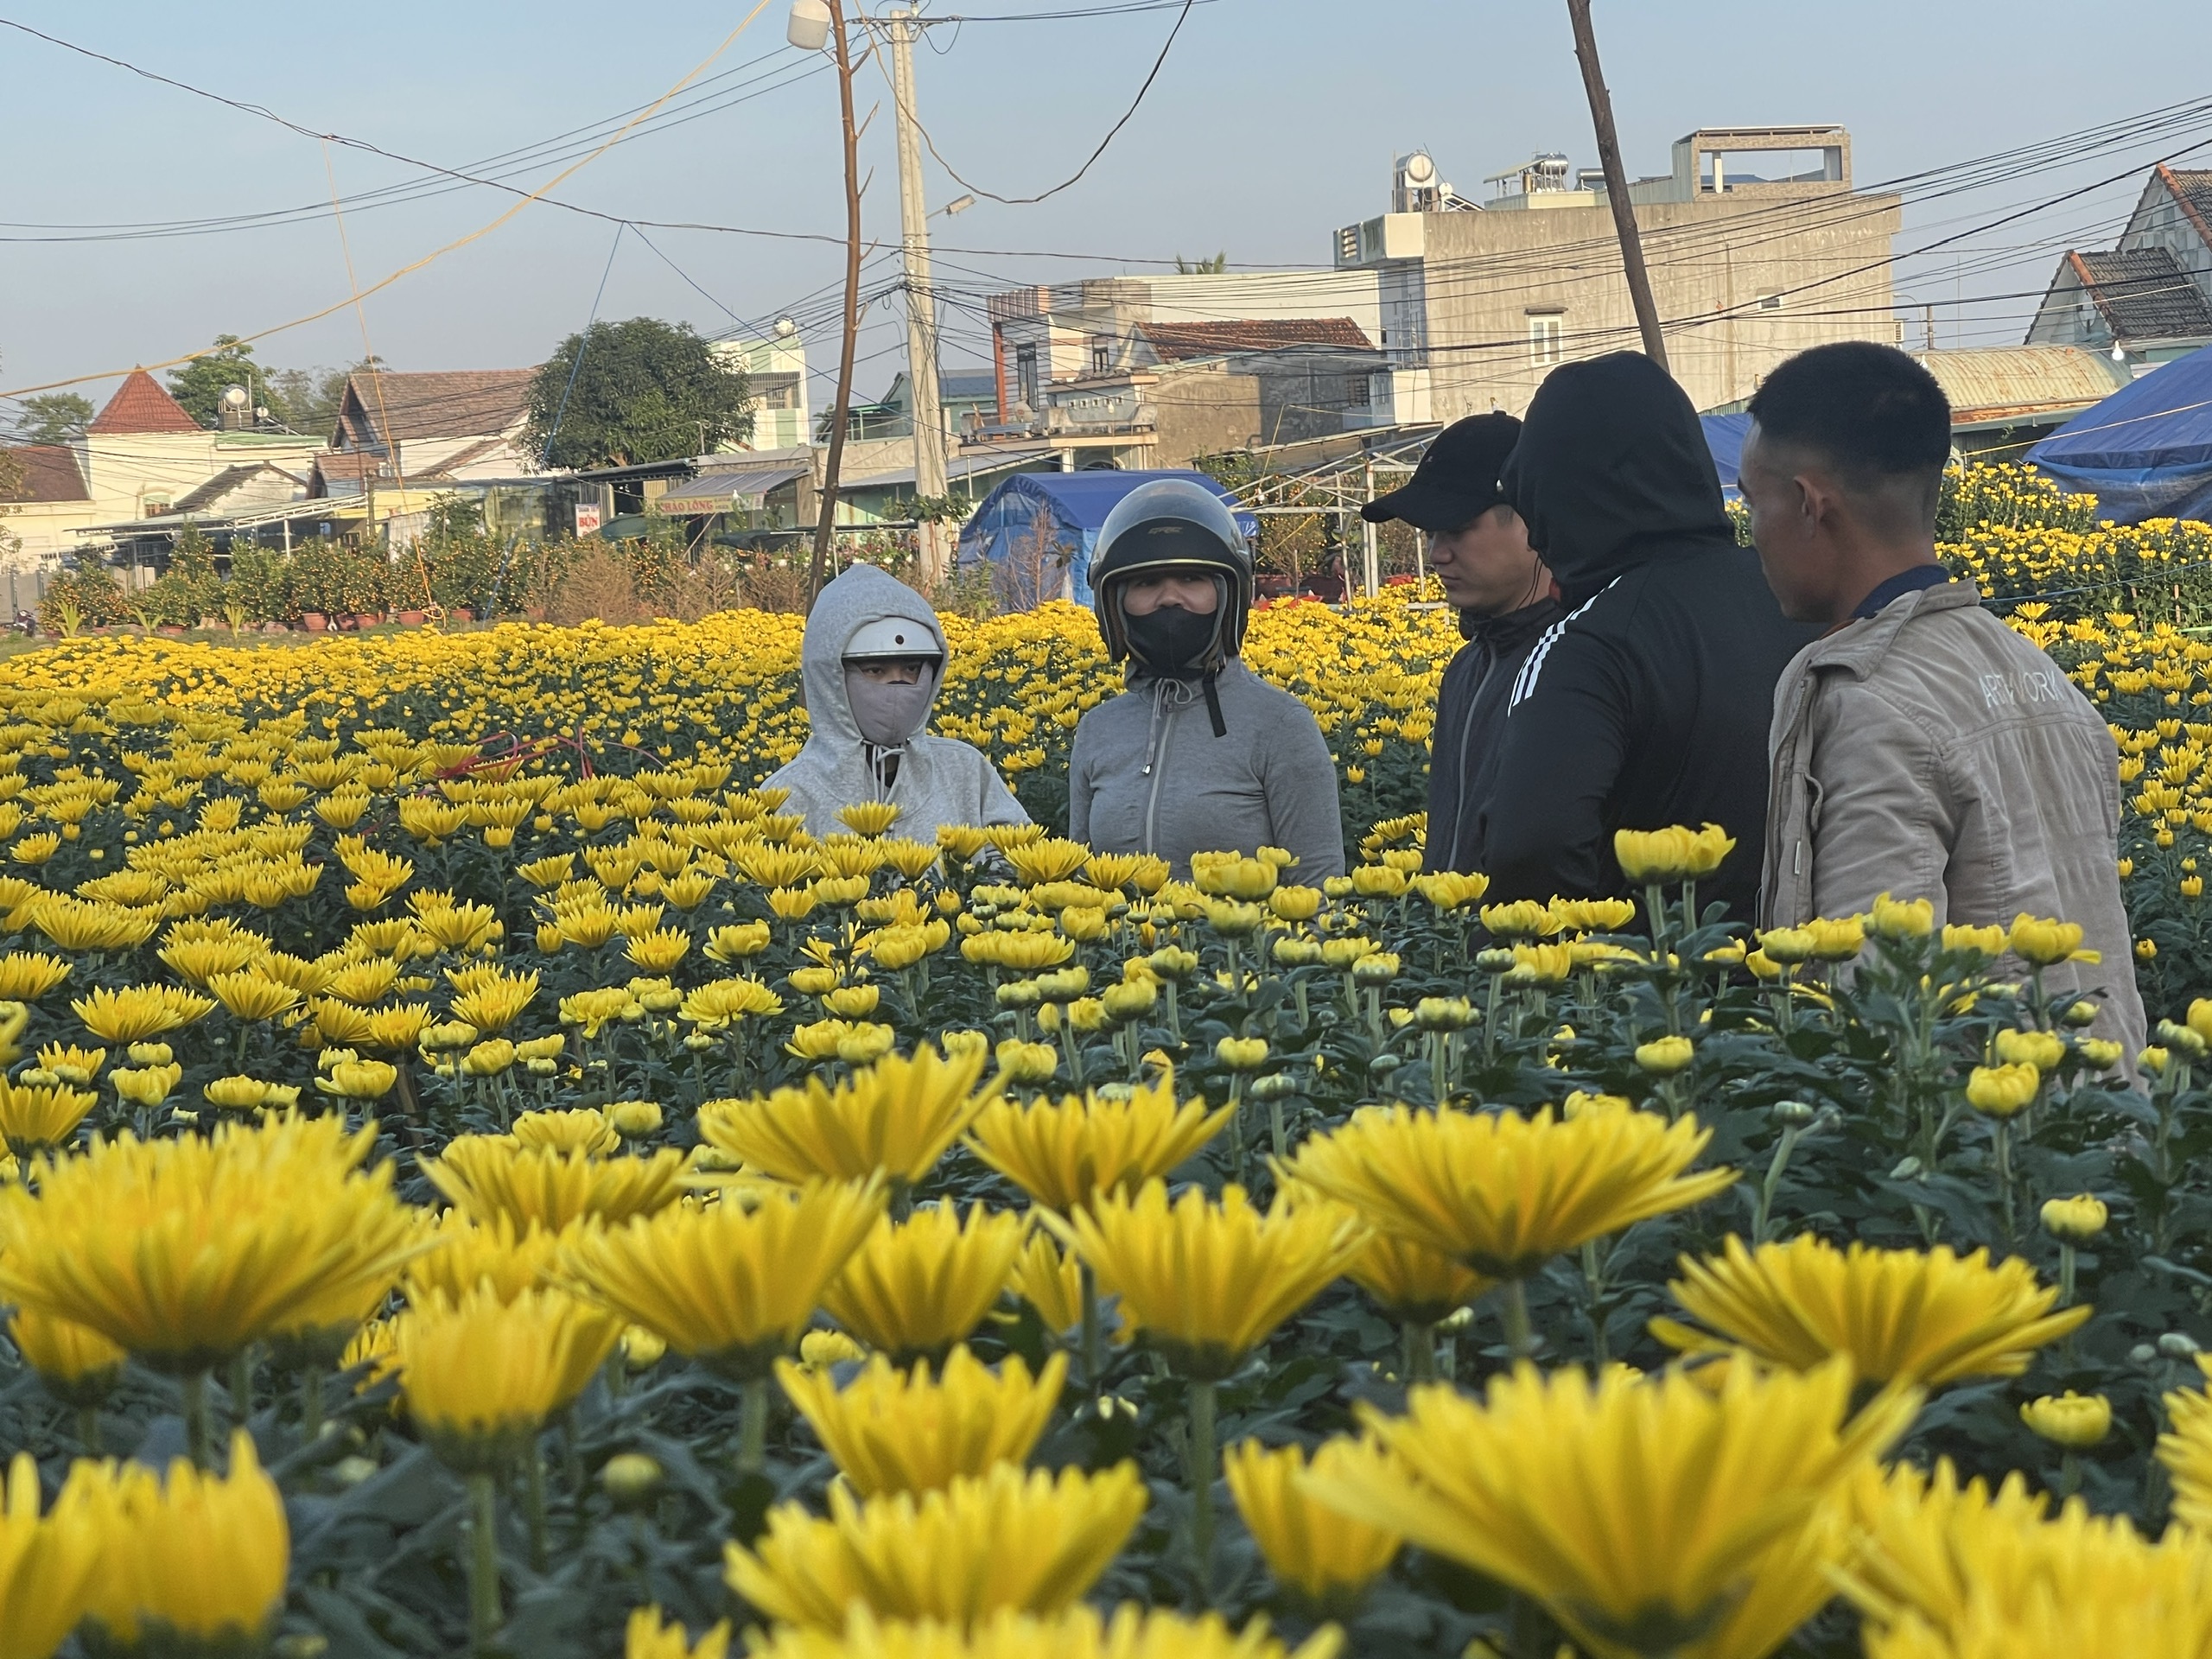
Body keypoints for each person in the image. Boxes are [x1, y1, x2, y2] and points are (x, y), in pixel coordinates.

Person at [1741, 340, 2145, 1051]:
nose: (1755, 534)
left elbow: (1875, 1004)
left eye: (1755, 502)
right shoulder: (2039, 670)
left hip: (1978, 1143)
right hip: (2107, 1119)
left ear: (1808, 504)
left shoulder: (1870, 698)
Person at [1477, 352, 1813, 919]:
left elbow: (1529, 849)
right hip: (1799, 984)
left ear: (1560, 495)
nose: (1537, 541)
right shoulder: (1796, 601)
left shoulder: (1588, 642)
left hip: (1653, 991)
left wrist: (1598, 965)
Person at [1068, 478, 1344, 880]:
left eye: (1192, 580)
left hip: (1243, 944)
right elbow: (1080, 877)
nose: (1170, 598)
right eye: (1146, 583)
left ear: (1229, 595)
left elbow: (1318, 881)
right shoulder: (1098, 730)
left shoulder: (1279, 724)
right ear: (1114, 606)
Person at [1362, 412, 1561, 873]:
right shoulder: (1467, 667)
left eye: (1455, 529)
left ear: (1531, 523)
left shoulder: (1572, 663)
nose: (1437, 554)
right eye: (1431, 534)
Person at [765, 561, 1029, 841]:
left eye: (912, 669)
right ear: (830, 679)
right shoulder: (787, 796)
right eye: (875, 671)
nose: (897, 685)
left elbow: (1019, 859)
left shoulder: (965, 770)